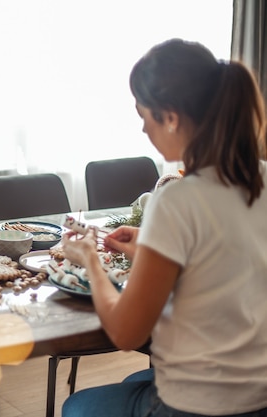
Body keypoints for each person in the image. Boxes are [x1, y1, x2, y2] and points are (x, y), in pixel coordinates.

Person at [61, 39, 267, 417]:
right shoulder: (261, 179)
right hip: (259, 397)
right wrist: (151, 245)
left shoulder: (177, 200)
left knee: (77, 407)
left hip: (201, 406)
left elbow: (127, 334)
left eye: (145, 116)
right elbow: (227, 261)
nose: (142, 129)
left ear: (171, 117)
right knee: (131, 384)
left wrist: (89, 258)